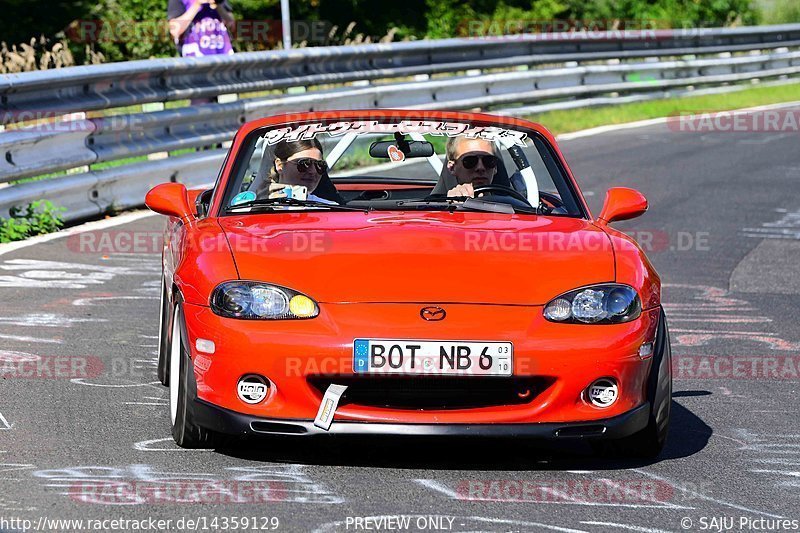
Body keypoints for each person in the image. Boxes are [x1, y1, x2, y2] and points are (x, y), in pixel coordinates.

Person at [259, 139, 343, 205]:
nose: (313, 171)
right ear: (280, 165)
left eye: (320, 165)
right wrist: (261, 207)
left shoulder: (330, 208)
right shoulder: (255, 205)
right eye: (304, 163)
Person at [168, 0, 234, 58]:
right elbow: (175, 31)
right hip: (194, 61)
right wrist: (197, 4)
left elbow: (233, 27)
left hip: (224, 57)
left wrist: (218, 5)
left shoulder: (220, 2)